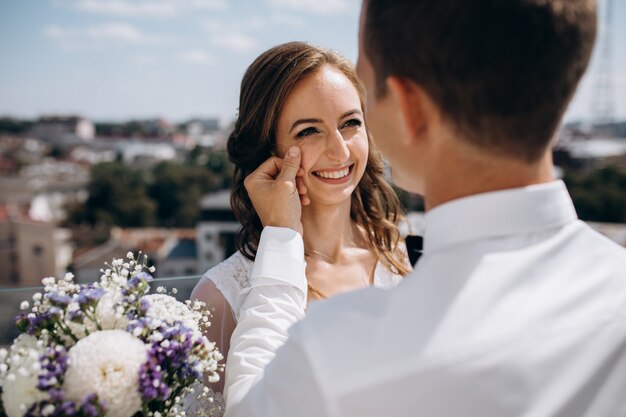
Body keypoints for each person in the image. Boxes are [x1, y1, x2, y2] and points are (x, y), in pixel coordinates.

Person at [223, 0, 626, 416]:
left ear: (407, 106)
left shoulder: (335, 356)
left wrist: (280, 241)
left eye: (366, 89)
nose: (341, 145)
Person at [187, 41, 411, 414]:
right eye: (309, 131)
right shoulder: (219, 298)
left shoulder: (409, 258)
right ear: (267, 152)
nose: (339, 151)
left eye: (350, 123)